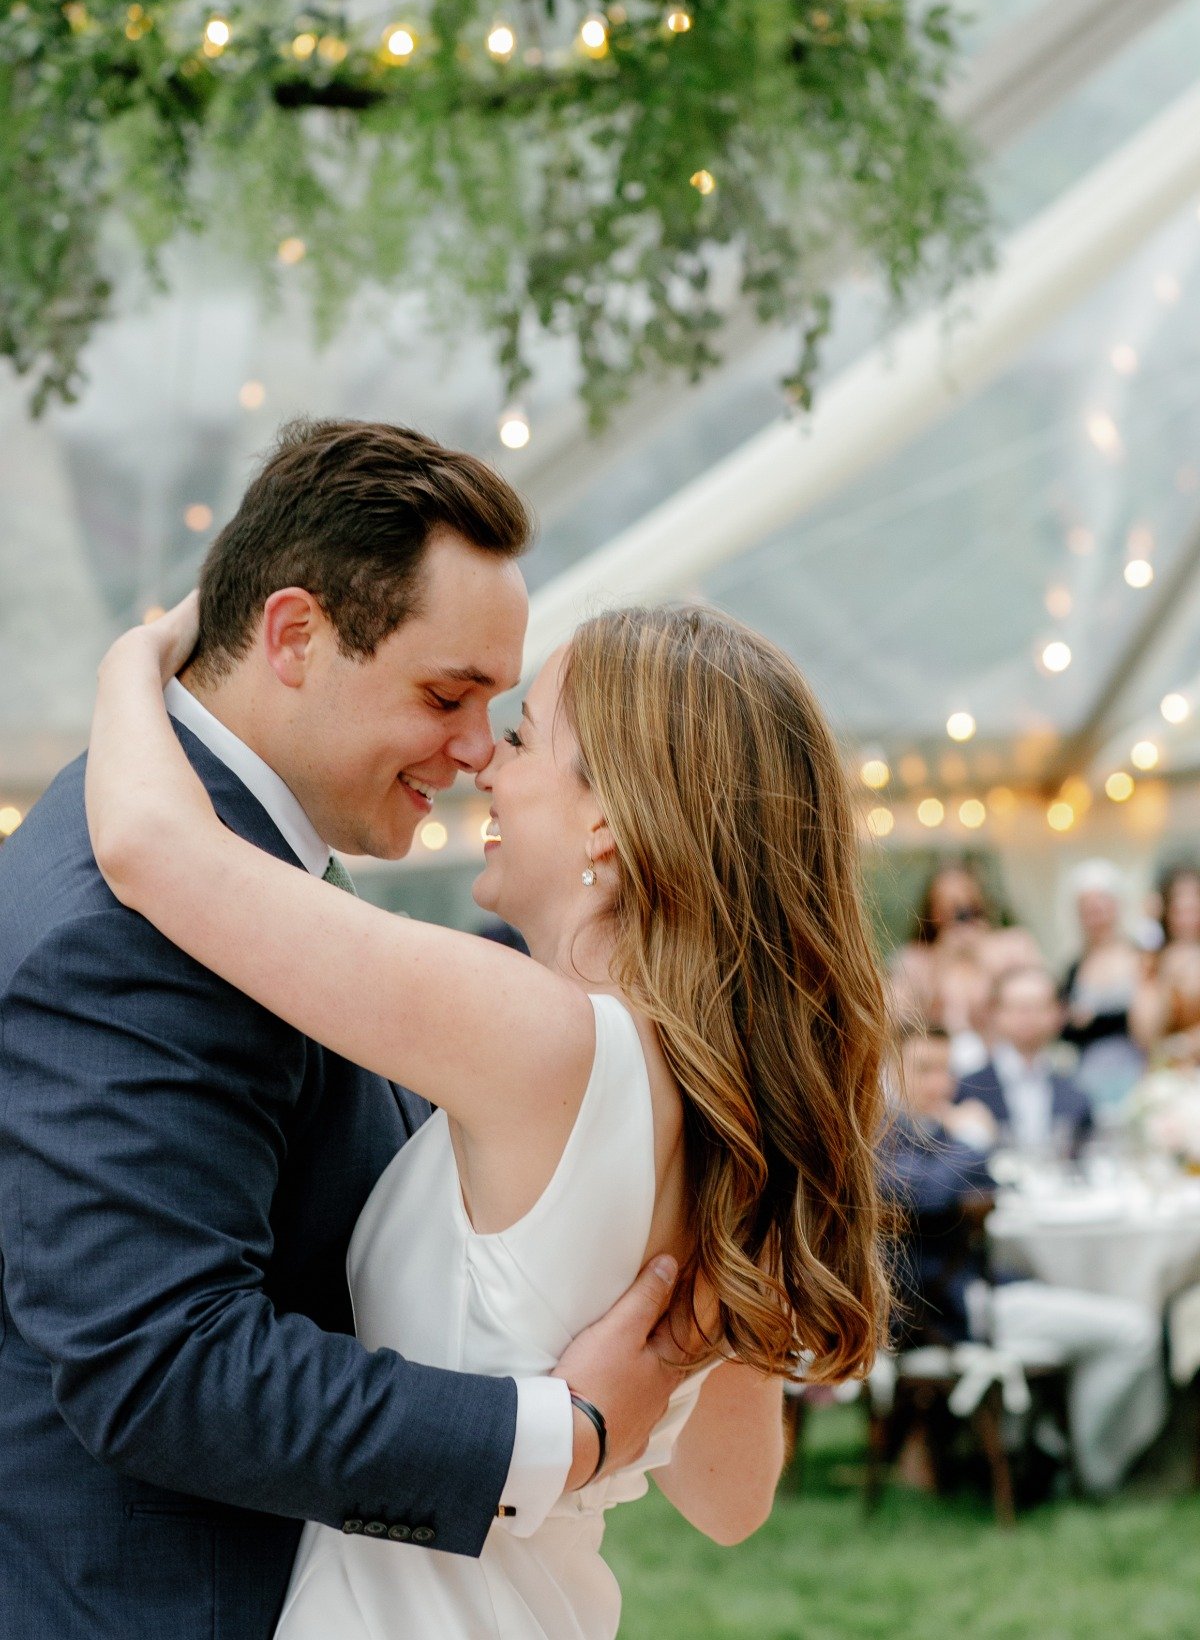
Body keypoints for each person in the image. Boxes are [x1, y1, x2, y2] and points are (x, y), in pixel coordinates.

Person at [81, 530, 890, 1627]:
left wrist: (139, 656)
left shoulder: (539, 1037)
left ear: (609, 814)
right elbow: (731, 1500)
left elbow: (146, 844)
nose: (483, 765)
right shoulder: (716, 1102)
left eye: (523, 737)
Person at [0, 421, 723, 1640]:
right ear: (294, 636)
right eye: (447, 695)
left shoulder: (227, 857)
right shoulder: (130, 927)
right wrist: (560, 1433)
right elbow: (157, 1364)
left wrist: (134, 664)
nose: (476, 751)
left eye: (503, 712)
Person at [885, 1025, 1165, 1495]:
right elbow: (931, 1191)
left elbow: (982, 1180)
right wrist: (973, 1140)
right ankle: (1090, 1473)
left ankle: (1053, 1448)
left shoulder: (928, 1135)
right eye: (924, 1071)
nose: (941, 1085)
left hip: (981, 1296)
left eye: (946, 1071)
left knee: (1106, 1311)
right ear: (887, 1073)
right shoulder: (879, 1140)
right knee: (1135, 1330)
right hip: (950, 1316)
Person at [888, 861, 1040, 1074]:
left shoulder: (1014, 944)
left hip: (1006, 1061)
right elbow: (902, 1021)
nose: (957, 909)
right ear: (931, 909)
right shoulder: (914, 959)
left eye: (964, 899)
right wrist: (941, 962)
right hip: (943, 1066)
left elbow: (1031, 1000)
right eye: (946, 903)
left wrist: (983, 955)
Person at [957, 964, 1094, 1159]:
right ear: (994, 1013)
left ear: (1059, 1013)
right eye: (1018, 1007)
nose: (1028, 1017)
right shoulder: (968, 1089)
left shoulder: (1076, 1094)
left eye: (1039, 1007)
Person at [1059, 860, 1143, 1053]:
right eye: (1088, 909)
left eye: (1102, 906)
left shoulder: (1140, 956)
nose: (1097, 916)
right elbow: (1066, 1025)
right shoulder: (1075, 966)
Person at [1131, 863, 1200, 1062]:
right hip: (1170, 1071)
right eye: (1179, 909)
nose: (1188, 918)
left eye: (1195, 908)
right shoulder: (1154, 960)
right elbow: (1144, 1035)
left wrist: (1186, 1044)